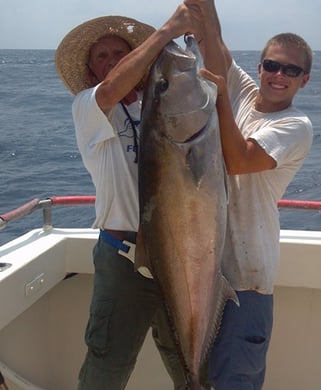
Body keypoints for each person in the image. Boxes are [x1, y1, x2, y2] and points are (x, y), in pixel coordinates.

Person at [55, 7, 197, 390]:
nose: (112, 60)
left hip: (178, 253)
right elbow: (116, 86)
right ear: (90, 71)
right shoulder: (88, 106)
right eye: (102, 57)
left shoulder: (161, 103)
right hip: (122, 255)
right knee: (107, 363)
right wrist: (170, 30)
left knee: (190, 363)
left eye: (120, 52)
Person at [185, 1, 314, 388]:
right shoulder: (242, 90)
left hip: (247, 282)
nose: (278, 75)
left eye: (291, 70)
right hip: (205, 272)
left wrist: (221, 97)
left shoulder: (296, 126)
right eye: (272, 65)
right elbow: (213, 41)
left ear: (304, 80)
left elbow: (240, 160)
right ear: (259, 68)